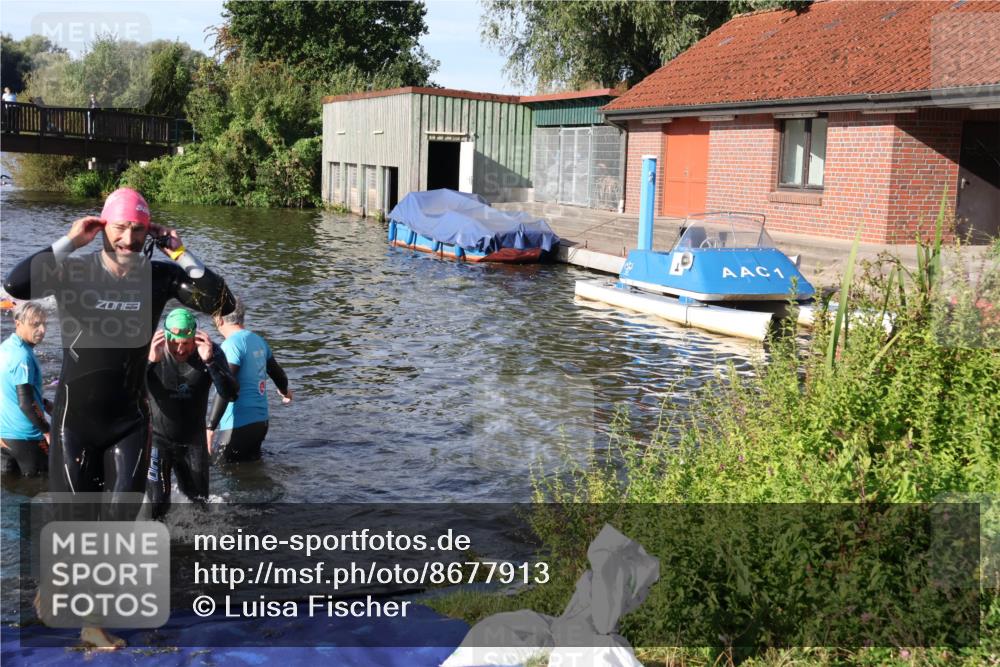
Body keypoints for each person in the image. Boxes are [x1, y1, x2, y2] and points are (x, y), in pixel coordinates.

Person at [3, 187, 235, 648]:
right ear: (103, 227)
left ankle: (88, 620)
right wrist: (71, 240)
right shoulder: (74, 270)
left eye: (138, 229)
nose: (129, 238)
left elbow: (219, 301)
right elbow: (16, 285)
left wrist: (181, 250)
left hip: (130, 420)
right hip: (75, 420)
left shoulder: (159, 276)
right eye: (120, 227)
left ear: (149, 233)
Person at [145, 308, 238, 518]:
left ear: (194, 338)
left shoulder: (211, 351)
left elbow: (231, 394)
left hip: (192, 441)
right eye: (175, 343)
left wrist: (210, 362)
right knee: (158, 505)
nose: (180, 349)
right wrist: (150, 362)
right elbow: (129, 391)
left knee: (199, 506)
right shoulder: (152, 350)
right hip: (158, 440)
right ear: (166, 336)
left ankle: (197, 550)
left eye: (186, 344)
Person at [208, 298, 291, 462]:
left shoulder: (231, 345)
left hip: (237, 425)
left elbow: (226, 388)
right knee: (249, 469)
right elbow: (278, 373)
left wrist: (210, 427)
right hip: (260, 424)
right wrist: (284, 391)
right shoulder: (258, 340)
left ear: (219, 318)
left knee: (221, 472)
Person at [0, 301, 50, 477]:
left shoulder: (5, 348)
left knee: (12, 487)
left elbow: (9, 390)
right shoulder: (23, 357)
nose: (42, 330)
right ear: (18, 323)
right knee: (41, 487)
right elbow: (26, 403)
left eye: (44, 323)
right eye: (35, 324)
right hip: (27, 437)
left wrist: (45, 404)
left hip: (4, 436)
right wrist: (47, 430)